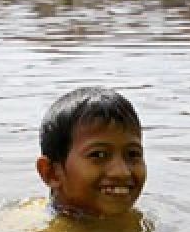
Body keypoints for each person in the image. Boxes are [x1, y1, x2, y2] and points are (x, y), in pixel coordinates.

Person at [36, 87, 146, 218]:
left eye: (133, 154)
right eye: (98, 155)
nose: (121, 172)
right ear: (51, 173)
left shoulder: (140, 223)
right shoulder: (33, 231)